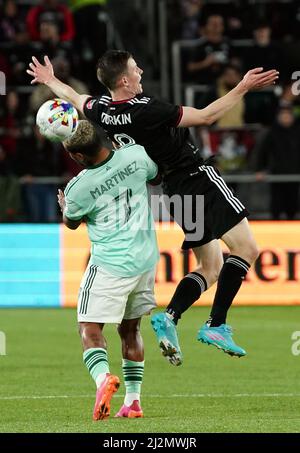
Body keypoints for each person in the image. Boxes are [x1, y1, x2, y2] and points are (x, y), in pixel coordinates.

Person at [27, 52, 278, 367]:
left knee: (210, 265)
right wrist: (242, 86)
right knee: (248, 250)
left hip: (174, 192)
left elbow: (76, 98)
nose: (140, 70)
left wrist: (50, 81)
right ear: (124, 80)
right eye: (135, 68)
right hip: (197, 178)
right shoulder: (147, 109)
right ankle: (216, 325)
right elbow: (206, 116)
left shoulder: (102, 111)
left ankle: (170, 317)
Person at [57, 120, 160, 419]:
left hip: (111, 264)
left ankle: (104, 380)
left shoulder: (79, 186)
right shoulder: (136, 155)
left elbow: (72, 222)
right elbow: (154, 176)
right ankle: (133, 402)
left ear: (77, 156)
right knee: (130, 330)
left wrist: (66, 206)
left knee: (88, 328)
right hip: (145, 261)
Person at [254, 106, 300, 220]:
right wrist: (260, 169)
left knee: (293, 203)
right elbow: (262, 152)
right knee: (276, 203)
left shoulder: (298, 131)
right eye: (283, 115)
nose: (286, 118)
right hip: (277, 173)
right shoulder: (272, 132)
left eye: (288, 115)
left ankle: (292, 228)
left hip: (295, 173)